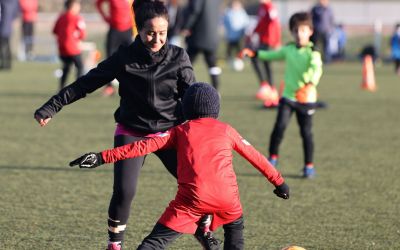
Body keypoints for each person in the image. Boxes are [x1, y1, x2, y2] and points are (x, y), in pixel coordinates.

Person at [33, 1, 223, 249]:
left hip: (170, 133)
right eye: (150, 32)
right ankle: (115, 244)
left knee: (200, 183)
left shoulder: (179, 57)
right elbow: (86, 83)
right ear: (139, 29)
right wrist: (52, 106)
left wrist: (204, 128)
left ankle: (203, 229)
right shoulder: (124, 57)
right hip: (132, 131)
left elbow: (192, 97)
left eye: (162, 33)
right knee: (125, 192)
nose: (157, 39)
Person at [69, 82, 290, 250]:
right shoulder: (226, 130)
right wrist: (279, 183)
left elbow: (140, 147)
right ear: (216, 109)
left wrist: (101, 157)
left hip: (191, 201)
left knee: (153, 244)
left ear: (185, 109)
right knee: (235, 229)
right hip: (228, 200)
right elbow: (256, 157)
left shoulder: (179, 131)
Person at [240, 12, 323, 178]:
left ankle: (308, 166)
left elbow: (317, 69)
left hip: (305, 99)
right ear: (292, 32)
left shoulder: (313, 52)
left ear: (310, 31)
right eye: (296, 31)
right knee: (279, 128)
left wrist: (310, 84)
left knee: (306, 133)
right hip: (288, 97)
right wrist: (255, 53)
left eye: (303, 30)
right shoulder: (289, 49)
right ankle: (272, 159)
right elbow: (271, 55)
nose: (299, 34)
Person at [246, 0, 281, 107]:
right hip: (263, 40)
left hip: (269, 41)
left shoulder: (270, 7)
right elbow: (261, 23)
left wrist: (276, 41)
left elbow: (275, 23)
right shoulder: (262, 7)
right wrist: (254, 32)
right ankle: (267, 87)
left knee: (264, 62)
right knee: (258, 60)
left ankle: (270, 88)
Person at [181, 0, 223, 90]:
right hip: (211, 35)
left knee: (185, 63)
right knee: (212, 65)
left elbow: (194, 11)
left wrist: (186, 27)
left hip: (197, 35)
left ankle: (181, 86)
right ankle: (216, 89)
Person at [96, 0, 133, 96]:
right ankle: (109, 87)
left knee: (131, 58)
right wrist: (105, 17)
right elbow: (98, 3)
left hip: (128, 31)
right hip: (115, 31)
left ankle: (131, 85)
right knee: (110, 59)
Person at [53, 0, 86, 90]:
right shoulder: (76, 18)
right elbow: (82, 33)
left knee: (66, 67)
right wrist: (76, 37)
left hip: (62, 48)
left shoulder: (61, 17)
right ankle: (78, 88)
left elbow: (55, 31)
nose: (79, 7)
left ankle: (61, 88)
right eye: (78, 5)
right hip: (72, 48)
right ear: (73, 6)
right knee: (80, 66)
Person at [223, 0, 249, 71]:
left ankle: (240, 61)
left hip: (239, 36)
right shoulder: (228, 13)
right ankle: (228, 61)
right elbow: (224, 22)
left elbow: (246, 22)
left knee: (239, 50)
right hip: (230, 36)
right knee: (229, 50)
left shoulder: (242, 13)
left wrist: (245, 32)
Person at [0, 0, 19, 70]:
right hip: (8, 27)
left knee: (4, 46)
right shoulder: (14, 2)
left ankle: (5, 64)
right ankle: (7, 64)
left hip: (3, 27)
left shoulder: (4, 2)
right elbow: (16, 13)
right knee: (6, 45)